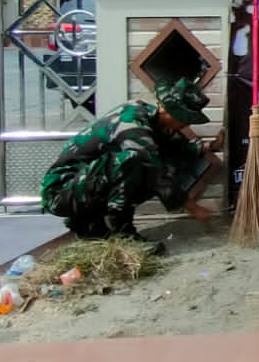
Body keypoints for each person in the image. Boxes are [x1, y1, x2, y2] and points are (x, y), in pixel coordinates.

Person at [40, 76, 222, 243]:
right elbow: (155, 171)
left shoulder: (152, 120)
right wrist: (194, 208)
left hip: (85, 186)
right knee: (134, 161)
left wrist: (210, 147)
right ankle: (121, 231)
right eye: (184, 119)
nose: (186, 125)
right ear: (169, 112)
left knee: (161, 162)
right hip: (61, 192)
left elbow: (176, 148)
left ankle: (89, 222)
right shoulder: (132, 123)